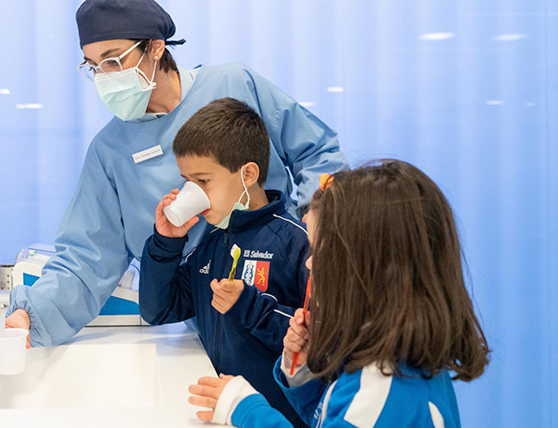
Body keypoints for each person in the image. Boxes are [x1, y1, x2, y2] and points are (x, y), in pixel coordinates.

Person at [0, 0, 348, 372]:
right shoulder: (111, 149)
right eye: (93, 66)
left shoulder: (236, 85)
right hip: (207, 314)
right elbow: (86, 259)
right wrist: (28, 319)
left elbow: (317, 154)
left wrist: (318, 238)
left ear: (155, 48)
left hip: (287, 290)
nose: (104, 77)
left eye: (113, 60)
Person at [187, 160, 491, 427]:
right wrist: (305, 371)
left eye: (318, 251)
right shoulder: (388, 360)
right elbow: (332, 417)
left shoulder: (383, 389)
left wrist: (246, 408)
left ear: (366, 268)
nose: (309, 262)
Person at [139, 98, 310, 427]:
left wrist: (250, 306)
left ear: (248, 174)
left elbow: (318, 340)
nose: (193, 192)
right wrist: (166, 241)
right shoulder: (212, 244)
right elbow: (158, 309)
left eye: (203, 181)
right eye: (187, 181)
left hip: (276, 418)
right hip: (220, 414)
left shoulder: (296, 243)